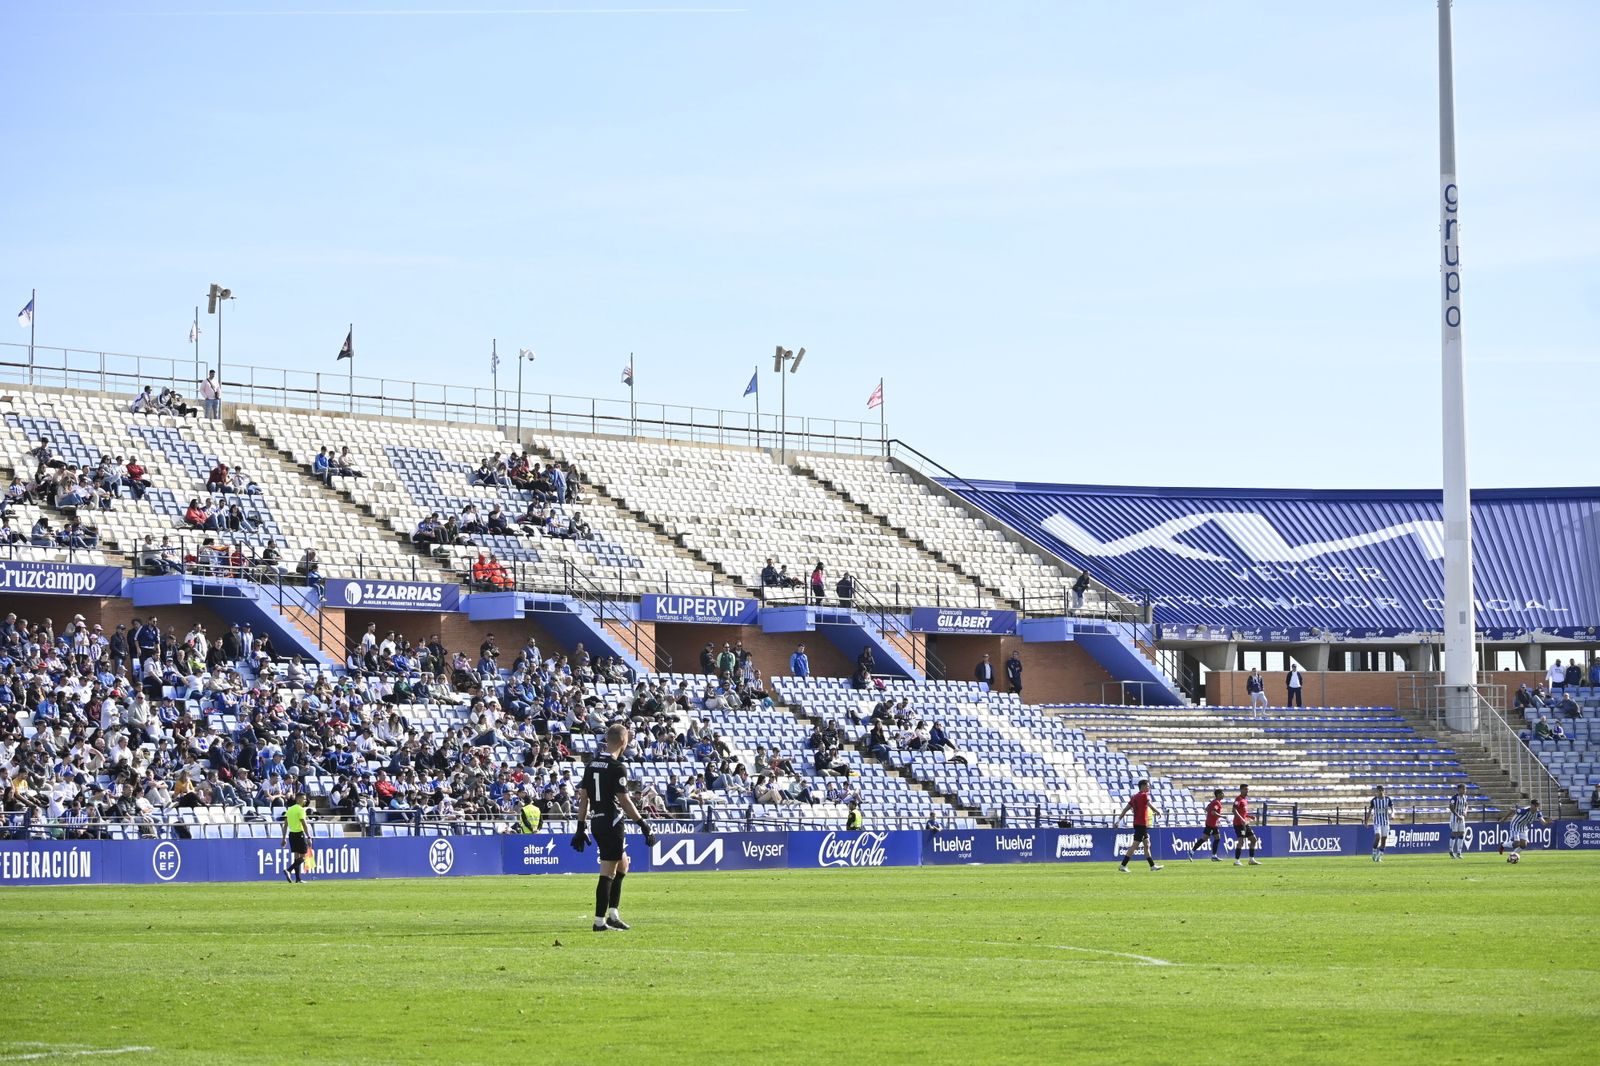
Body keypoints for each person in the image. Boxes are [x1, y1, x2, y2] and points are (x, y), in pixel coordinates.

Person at [572, 723, 656, 932]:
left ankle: (613, 914)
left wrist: (580, 827)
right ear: (623, 742)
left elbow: (584, 799)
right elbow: (625, 801)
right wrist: (643, 824)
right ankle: (600, 922)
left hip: (597, 821)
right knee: (608, 871)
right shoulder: (618, 767)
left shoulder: (591, 764)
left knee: (623, 865)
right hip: (612, 822)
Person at [1113, 779, 1163, 873]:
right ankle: (1123, 865)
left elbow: (1125, 809)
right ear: (1143, 786)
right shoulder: (1144, 795)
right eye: (1147, 786)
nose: (1149, 787)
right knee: (1135, 846)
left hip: (1138, 824)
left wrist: (1118, 820)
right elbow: (1150, 805)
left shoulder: (1134, 797)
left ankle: (1152, 866)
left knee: (1147, 844)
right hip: (1141, 824)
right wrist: (1158, 811)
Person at [1187, 787, 1227, 861]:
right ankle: (1191, 851)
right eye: (1222, 793)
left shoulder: (1214, 802)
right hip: (1211, 824)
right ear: (1218, 794)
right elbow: (1213, 812)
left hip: (1213, 824)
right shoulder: (1216, 802)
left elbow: (1207, 809)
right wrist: (1222, 816)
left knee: (1217, 838)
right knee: (1204, 838)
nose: (1223, 795)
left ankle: (1214, 856)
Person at [281, 791, 311, 883]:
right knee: (304, 856)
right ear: (298, 799)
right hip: (299, 834)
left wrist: (283, 838)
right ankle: (289, 870)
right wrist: (309, 837)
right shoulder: (301, 809)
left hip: (291, 835)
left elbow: (285, 825)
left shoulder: (289, 809)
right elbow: (304, 824)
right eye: (304, 798)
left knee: (296, 857)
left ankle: (298, 879)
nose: (305, 800)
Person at [1231, 784, 1261, 866]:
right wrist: (1241, 819)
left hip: (1245, 824)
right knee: (1241, 841)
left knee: (1253, 840)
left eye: (1247, 789)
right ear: (1241, 790)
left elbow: (1243, 813)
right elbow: (1234, 810)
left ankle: (1251, 860)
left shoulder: (1245, 800)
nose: (1247, 791)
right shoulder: (1238, 799)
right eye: (1245, 789)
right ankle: (1237, 861)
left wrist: (1249, 816)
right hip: (1239, 824)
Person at [1364, 784, 1394, 863]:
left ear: (1383, 791)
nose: (1380, 792)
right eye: (1378, 790)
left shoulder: (1388, 799)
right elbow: (1369, 811)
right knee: (1378, 837)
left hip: (1385, 822)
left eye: (1381, 790)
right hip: (1377, 822)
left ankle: (1379, 857)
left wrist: (1392, 813)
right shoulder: (1374, 800)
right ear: (1376, 791)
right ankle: (1374, 852)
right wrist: (1366, 821)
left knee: (1384, 840)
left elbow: (1392, 808)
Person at [1446, 783, 1469, 860]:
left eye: (1465, 789)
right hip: (1454, 818)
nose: (1465, 790)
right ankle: (1451, 850)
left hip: (1461, 818)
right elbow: (1451, 807)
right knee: (1454, 833)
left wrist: (1465, 811)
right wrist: (1457, 815)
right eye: (1463, 789)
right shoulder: (1454, 798)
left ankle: (1459, 852)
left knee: (1462, 833)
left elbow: (1466, 805)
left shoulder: (1464, 797)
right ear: (1459, 790)